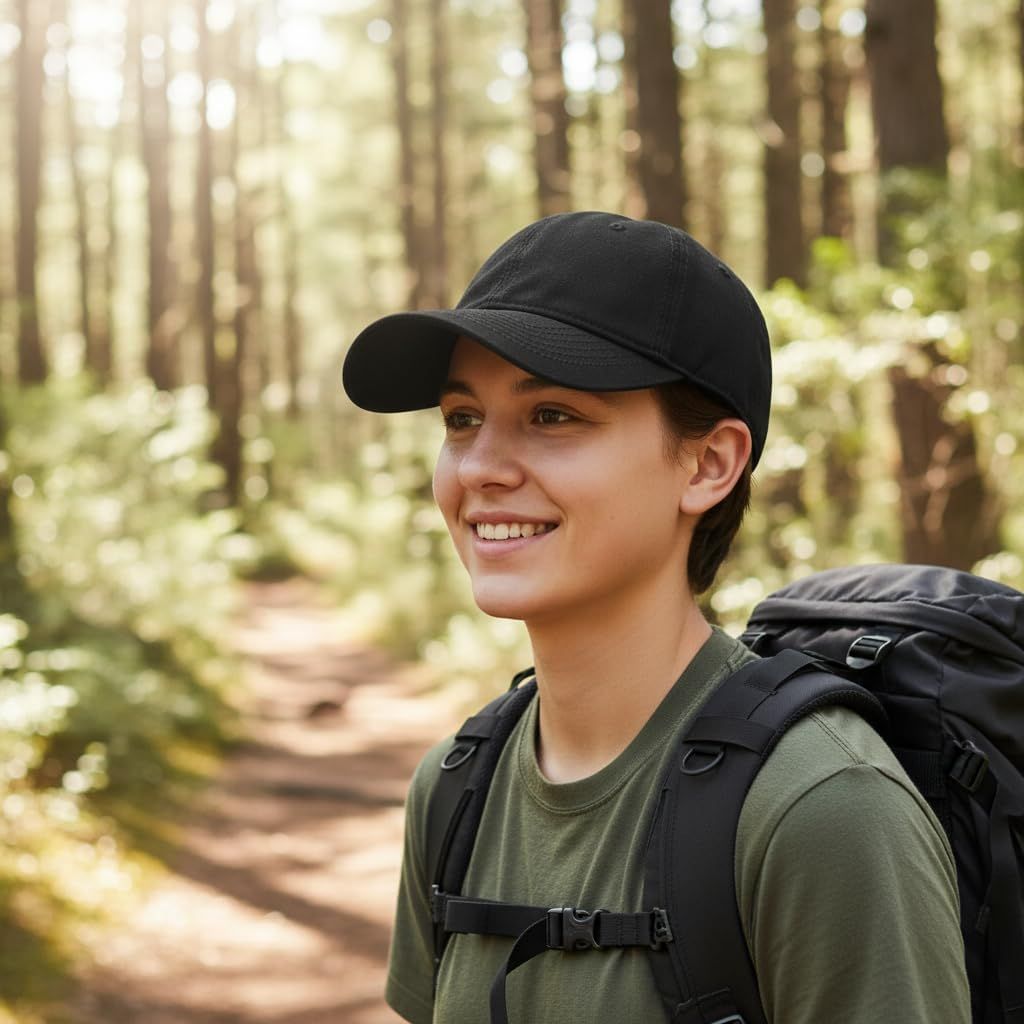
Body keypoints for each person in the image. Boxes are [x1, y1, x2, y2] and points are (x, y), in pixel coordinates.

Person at [342, 211, 970, 1023]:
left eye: (552, 416)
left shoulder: (823, 809)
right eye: (462, 419)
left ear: (708, 464)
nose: (482, 468)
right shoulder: (456, 789)